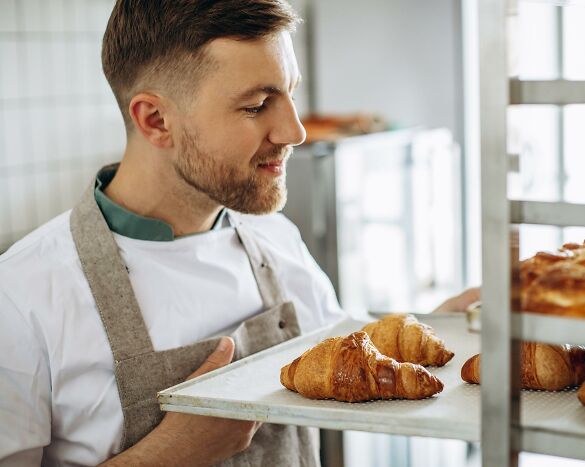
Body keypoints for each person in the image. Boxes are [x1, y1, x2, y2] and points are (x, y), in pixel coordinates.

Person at [0, 1, 476, 465]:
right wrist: (178, 451)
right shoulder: (21, 295)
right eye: (256, 105)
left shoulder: (273, 238)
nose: (294, 131)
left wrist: (441, 324)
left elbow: (344, 361)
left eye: (291, 93)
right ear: (156, 120)